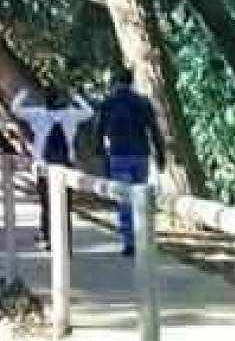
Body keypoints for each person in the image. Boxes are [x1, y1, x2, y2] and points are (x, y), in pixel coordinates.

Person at [95, 68, 166, 256]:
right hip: (141, 154)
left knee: (124, 199)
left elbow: (99, 130)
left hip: (118, 154)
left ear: (116, 82)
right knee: (140, 196)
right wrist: (160, 154)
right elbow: (154, 129)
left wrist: (100, 154)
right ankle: (143, 236)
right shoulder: (142, 102)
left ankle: (130, 241)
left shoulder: (108, 103)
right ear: (131, 81)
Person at [12, 91, 94, 248]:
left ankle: (49, 238)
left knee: (46, 203)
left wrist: (23, 94)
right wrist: (76, 96)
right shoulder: (71, 115)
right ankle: (65, 240)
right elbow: (89, 112)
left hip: (44, 166)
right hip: (65, 166)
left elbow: (15, 109)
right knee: (65, 205)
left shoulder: (38, 114)